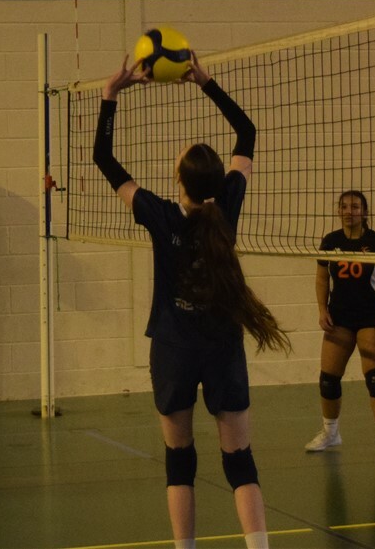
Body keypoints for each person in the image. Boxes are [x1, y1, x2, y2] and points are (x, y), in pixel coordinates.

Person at [94, 52, 291, 549]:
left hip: (173, 347)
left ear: (178, 180)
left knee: (179, 461)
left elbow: (104, 160)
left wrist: (110, 96)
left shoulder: (159, 215)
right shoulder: (228, 206)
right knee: (239, 461)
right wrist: (206, 82)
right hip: (222, 345)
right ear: (216, 181)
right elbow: (246, 132)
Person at [303, 190, 375, 460]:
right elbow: (321, 278)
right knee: (328, 379)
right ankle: (330, 433)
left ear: (364, 212)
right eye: (344, 206)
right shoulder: (331, 241)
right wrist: (322, 309)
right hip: (340, 316)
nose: (349, 211)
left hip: (371, 316)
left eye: (355, 207)